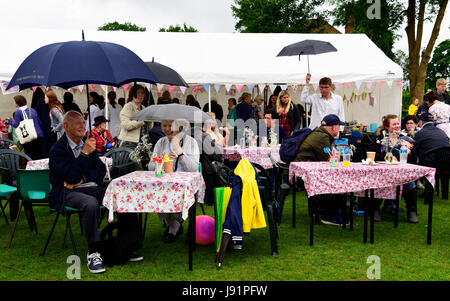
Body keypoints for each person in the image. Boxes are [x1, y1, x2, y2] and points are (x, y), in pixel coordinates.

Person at [48, 111, 142, 274]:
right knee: (89, 203)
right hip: (66, 193)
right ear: (66, 126)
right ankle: (94, 252)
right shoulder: (58, 150)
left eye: (83, 123)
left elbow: (99, 172)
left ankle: (125, 246)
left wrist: (83, 179)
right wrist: (84, 154)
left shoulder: (87, 143)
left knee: (122, 196)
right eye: (78, 123)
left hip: (90, 187)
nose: (82, 126)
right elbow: (70, 178)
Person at [148, 119, 200, 243]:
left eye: (170, 125)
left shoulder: (191, 142)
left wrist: (180, 153)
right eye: (164, 125)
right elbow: (150, 166)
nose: (167, 129)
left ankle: (173, 227)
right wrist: (162, 160)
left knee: (173, 193)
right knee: (156, 192)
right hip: (164, 183)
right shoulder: (161, 142)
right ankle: (175, 223)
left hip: (186, 184)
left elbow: (194, 168)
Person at [294, 114, 347, 226]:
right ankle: (329, 215)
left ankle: (320, 210)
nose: (340, 128)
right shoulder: (322, 137)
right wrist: (338, 157)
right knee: (335, 180)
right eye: (339, 126)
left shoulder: (318, 133)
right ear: (333, 127)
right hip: (304, 176)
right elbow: (329, 161)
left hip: (301, 172)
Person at [368, 114, 418, 223]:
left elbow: (414, 160)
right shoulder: (379, 138)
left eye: (398, 123)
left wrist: (410, 152)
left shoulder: (405, 138)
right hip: (382, 172)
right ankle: (375, 209)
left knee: (410, 181)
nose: (397, 126)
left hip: (401, 173)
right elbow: (372, 154)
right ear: (387, 126)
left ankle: (412, 211)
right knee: (378, 182)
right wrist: (387, 157)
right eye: (394, 124)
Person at [10, 95, 45, 160]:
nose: (13, 103)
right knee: (39, 157)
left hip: (29, 137)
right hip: (39, 135)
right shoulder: (32, 110)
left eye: (14, 102)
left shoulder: (18, 112)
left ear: (17, 103)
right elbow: (39, 122)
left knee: (30, 157)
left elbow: (16, 125)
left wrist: (10, 121)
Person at [118, 84, 148, 149]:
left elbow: (148, 128)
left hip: (141, 143)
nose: (140, 95)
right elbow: (126, 125)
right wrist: (141, 121)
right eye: (138, 93)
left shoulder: (143, 108)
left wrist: (150, 121)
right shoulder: (128, 106)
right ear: (132, 95)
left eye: (142, 93)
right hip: (128, 142)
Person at [33, 88, 53, 156]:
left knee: (44, 143)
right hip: (52, 125)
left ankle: (44, 157)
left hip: (43, 124)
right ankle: (52, 155)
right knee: (52, 142)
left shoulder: (40, 101)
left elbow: (36, 113)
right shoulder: (55, 102)